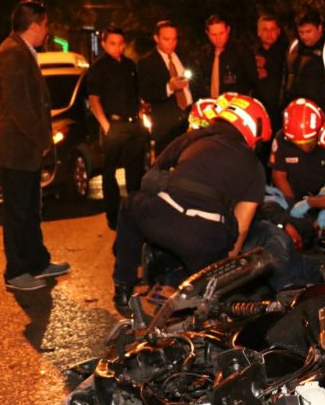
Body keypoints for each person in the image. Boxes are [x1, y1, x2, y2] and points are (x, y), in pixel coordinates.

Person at [112, 94, 270, 313]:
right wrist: (219, 272)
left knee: (131, 205)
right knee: (209, 307)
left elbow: (150, 178)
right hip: (205, 241)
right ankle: (194, 301)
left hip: (164, 218)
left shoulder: (194, 138)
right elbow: (242, 227)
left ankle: (123, 288)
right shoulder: (255, 167)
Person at [0, 0, 70, 291]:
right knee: (18, 212)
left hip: (25, 148)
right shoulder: (12, 53)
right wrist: (43, 139)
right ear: (33, 25)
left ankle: (37, 262)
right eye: (45, 25)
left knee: (31, 209)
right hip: (15, 148)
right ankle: (16, 271)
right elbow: (19, 106)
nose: (47, 30)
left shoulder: (23, 50)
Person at [85, 25, 149, 229]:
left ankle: (135, 213)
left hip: (134, 124)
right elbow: (94, 99)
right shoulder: (98, 68)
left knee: (135, 171)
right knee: (109, 172)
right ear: (104, 44)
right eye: (112, 43)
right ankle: (113, 216)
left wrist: (141, 113)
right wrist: (106, 125)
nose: (117, 47)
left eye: (120, 43)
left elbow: (137, 93)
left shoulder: (130, 65)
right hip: (113, 125)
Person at [270, 98, 325, 206]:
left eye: (309, 141)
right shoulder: (281, 139)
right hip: (294, 198)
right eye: (298, 143)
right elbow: (279, 175)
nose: (304, 147)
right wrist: (292, 204)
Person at [138, 20, 193, 155]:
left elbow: (197, 83)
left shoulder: (184, 56)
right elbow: (146, 93)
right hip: (166, 126)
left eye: (174, 39)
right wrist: (169, 87)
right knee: (167, 161)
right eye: (166, 39)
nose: (171, 43)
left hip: (190, 119)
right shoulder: (147, 62)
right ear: (156, 38)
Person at [196, 14, 257, 99]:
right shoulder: (205, 53)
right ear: (207, 33)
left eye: (221, 33)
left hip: (235, 102)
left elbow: (253, 80)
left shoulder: (241, 51)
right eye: (213, 35)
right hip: (211, 102)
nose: (218, 38)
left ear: (228, 30)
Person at [254, 14, 288, 132]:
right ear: (258, 32)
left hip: (280, 110)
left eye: (272, 29)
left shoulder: (287, 53)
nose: (269, 34)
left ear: (278, 31)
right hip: (258, 109)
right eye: (265, 29)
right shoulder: (252, 52)